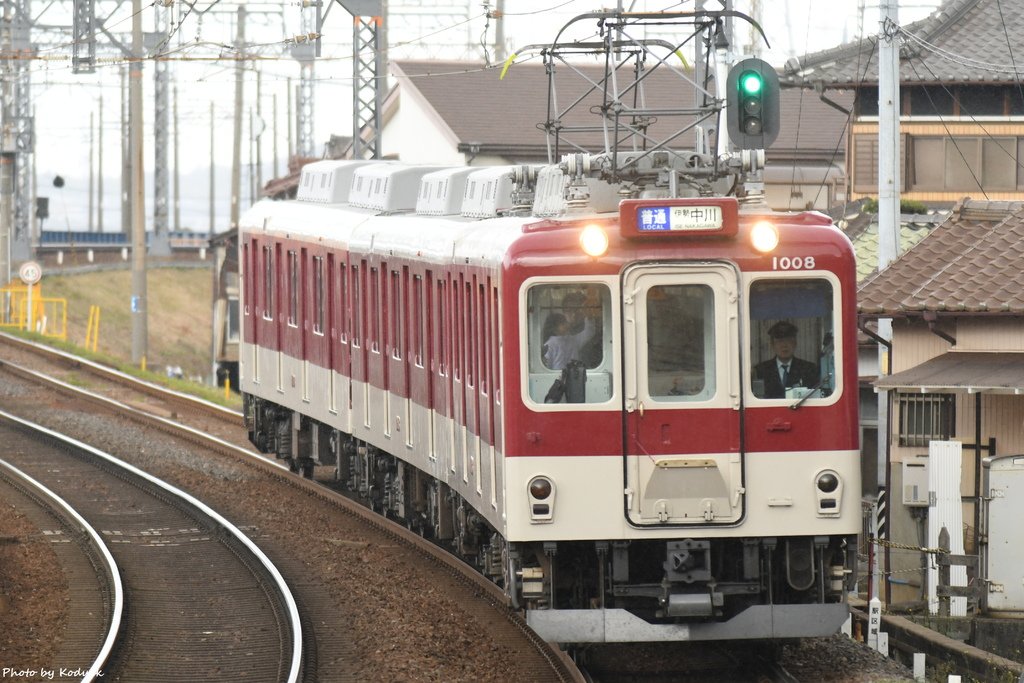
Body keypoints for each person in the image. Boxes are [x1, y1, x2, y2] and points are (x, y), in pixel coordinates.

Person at [752, 320, 819, 398]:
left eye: (788, 340)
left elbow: (815, 398)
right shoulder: (761, 370)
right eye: (780, 341)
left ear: (795, 343)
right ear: (772, 344)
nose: (784, 345)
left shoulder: (809, 369)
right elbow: (757, 398)